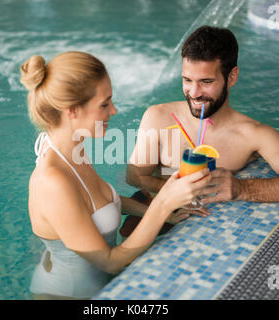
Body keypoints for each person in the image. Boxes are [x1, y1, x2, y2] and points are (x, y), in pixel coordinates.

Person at [22, 51, 211, 299]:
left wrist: (168, 215)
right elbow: (109, 262)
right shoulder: (51, 181)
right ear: (72, 111)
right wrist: (163, 203)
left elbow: (101, 203)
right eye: (104, 104)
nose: (114, 110)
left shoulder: (70, 147)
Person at [122, 25, 279, 237]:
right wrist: (176, 193)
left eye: (206, 82)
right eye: (187, 80)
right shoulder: (158, 117)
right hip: (155, 206)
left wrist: (243, 189)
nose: (194, 93)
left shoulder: (253, 134)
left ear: (231, 77)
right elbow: (135, 175)